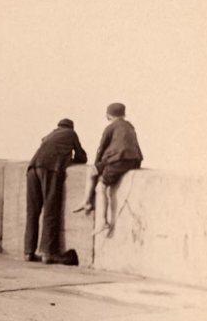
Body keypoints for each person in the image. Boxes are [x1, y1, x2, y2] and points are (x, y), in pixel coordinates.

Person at [25, 118, 87, 265]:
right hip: (50, 169)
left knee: (33, 211)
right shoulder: (71, 133)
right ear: (71, 127)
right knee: (50, 209)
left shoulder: (50, 135)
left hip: (32, 168)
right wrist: (69, 160)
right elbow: (82, 157)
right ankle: (47, 253)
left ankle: (28, 252)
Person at [74, 103, 144, 231]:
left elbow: (101, 148)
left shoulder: (110, 128)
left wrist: (96, 165)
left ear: (108, 115)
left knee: (100, 185)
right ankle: (87, 202)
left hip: (118, 160)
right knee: (96, 173)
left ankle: (102, 220)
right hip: (133, 160)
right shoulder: (130, 127)